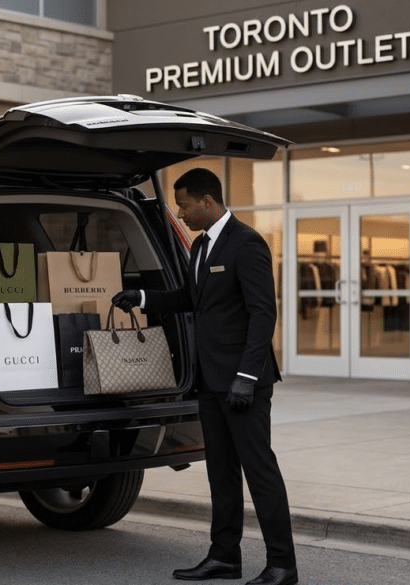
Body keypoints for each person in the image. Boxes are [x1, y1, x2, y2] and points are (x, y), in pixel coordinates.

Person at [112, 168, 297, 585]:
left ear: (207, 202)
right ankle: (225, 557)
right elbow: (191, 300)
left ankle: (283, 565)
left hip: (243, 382)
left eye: (184, 205)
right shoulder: (200, 247)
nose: (180, 213)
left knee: (260, 472)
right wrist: (141, 297)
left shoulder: (247, 244)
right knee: (221, 472)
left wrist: (247, 377)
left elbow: (262, 314)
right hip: (211, 380)